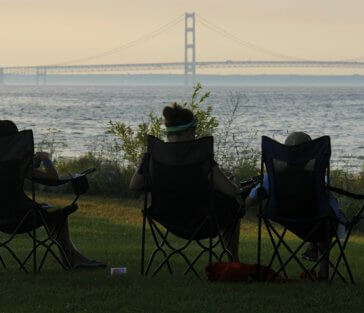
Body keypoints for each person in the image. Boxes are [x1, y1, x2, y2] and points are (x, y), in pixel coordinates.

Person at [129, 103, 244, 261]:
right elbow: (232, 192)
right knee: (234, 207)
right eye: (194, 132)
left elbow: (134, 186)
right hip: (202, 220)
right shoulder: (201, 157)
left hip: (166, 217)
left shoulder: (152, 156)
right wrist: (226, 181)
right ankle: (233, 260)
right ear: (189, 131)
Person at [0, 120, 105, 269]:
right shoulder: (17, 165)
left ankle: (75, 258)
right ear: (14, 141)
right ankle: (73, 259)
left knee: (46, 210)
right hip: (17, 217)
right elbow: (53, 179)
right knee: (56, 214)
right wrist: (45, 158)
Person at [245, 131, 346, 279]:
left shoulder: (272, 177)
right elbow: (328, 201)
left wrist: (247, 198)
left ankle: (313, 245)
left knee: (323, 221)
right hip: (316, 219)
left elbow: (250, 201)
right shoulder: (318, 178)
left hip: (283, 216)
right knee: (326, 221)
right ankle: (323, 269)